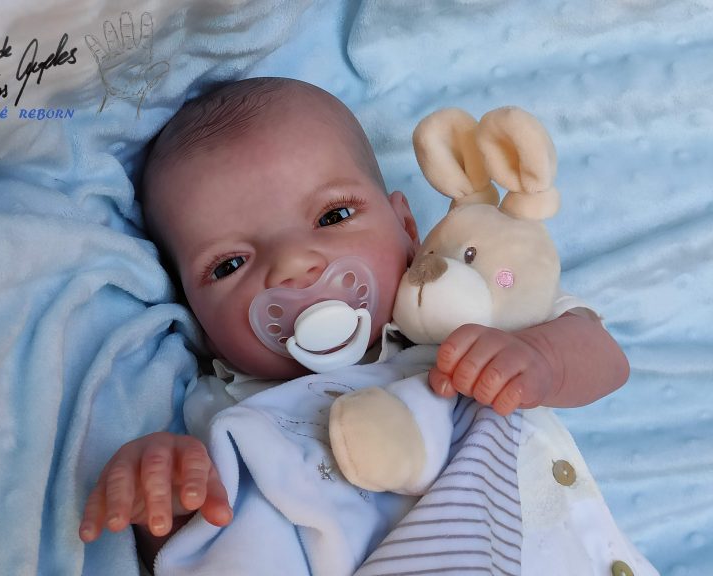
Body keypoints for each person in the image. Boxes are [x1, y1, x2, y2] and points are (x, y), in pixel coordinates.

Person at [78, 77, 654, 575]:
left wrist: (542, 359)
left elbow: (605, 357)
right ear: (197, 316)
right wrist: (168, 502)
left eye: (333, 216)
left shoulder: (466, 311)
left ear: (408, 229)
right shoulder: (222, 418)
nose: (293, 266)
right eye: (229, 265)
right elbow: (221, 548)